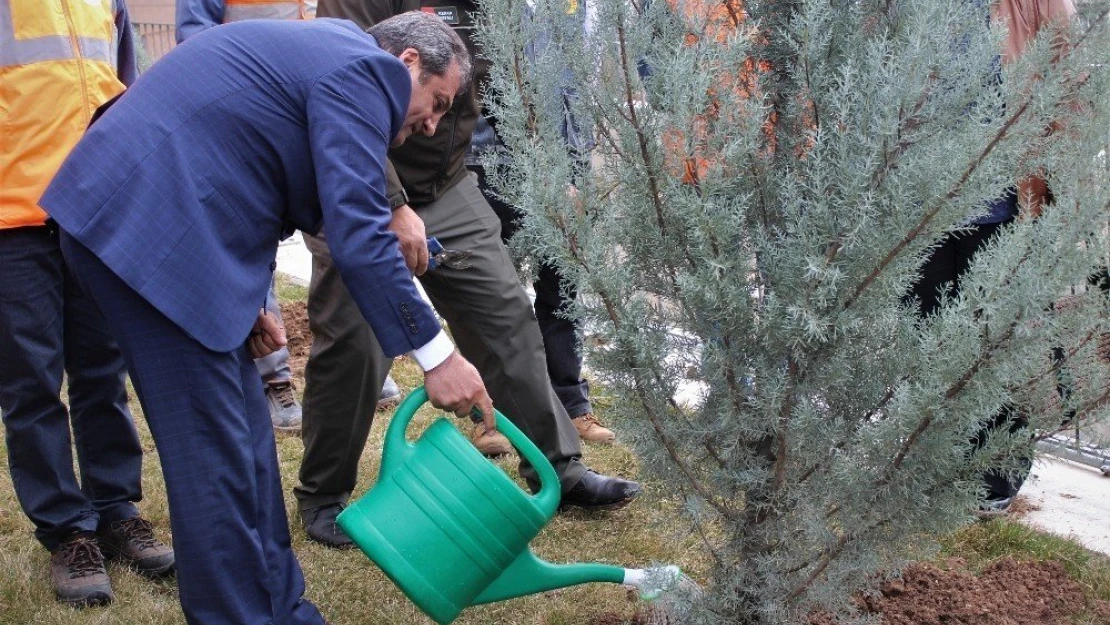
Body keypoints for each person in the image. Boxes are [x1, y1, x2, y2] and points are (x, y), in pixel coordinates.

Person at [39, 14, 490, 625]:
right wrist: (438, 356)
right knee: (213, 461)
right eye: (436, 102)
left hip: (178, 229)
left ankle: (285, 608)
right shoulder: (368, 71)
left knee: (247, 446)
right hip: (142, 231)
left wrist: (246, 301)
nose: (432, 123)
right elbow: (359, 229)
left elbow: (240, 164)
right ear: (407, 61)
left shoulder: (329, 57)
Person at [291, 0, 642, 549]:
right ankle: (323, 494)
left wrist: (549, 171)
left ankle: (559, 470)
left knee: (505, 315)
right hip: (356, 182)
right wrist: (389, 200)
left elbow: (509, 85)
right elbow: (340, 88)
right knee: (357, 343)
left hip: (449, 184)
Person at [0, 0, 174, 608]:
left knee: (103, 369)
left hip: (94, 210)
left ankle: (116, 508)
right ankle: (68, 531)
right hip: (11, 217)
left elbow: (124, 93)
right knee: (31, 384)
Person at [176, 0, 405, 431]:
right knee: (251, 255)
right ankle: (273, 378)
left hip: (323, 124)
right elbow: (197, 45)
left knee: (343, 246)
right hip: (261, 129)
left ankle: (360, 364)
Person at [909, 0, 1076, 518]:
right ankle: (941, 465)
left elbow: (1069, 81)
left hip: (1005, 207)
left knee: (998, 341)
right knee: (929, 334)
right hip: (922, 207)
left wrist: (1058, 182)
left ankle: (997, 477)